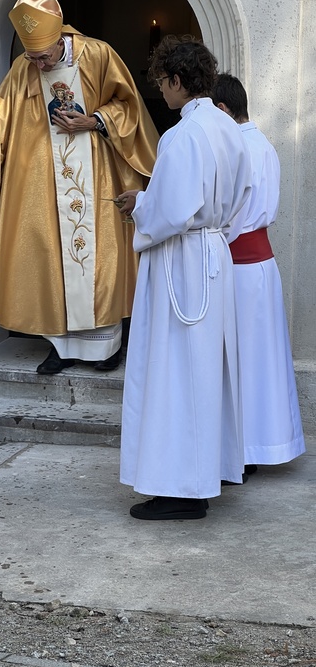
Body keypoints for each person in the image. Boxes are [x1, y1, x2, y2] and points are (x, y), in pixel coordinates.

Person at [0, 0, 158, 374]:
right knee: (48, 256)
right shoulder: (24, 67)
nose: (37, 65)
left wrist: (93, 120)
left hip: (96, 175)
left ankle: (105, 349)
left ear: (59, 41)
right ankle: (60, 346)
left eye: (42, 57)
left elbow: (129, 106)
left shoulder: (98, 54)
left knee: (99, 259)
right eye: (31, 57)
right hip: (43, 183)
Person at [118, 36, 252, 520]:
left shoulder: (182, 134)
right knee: (205, 368)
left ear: (176, 80)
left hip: (182, 261)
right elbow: (239, 196)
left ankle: (181, 489)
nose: (162, 93)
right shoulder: (229, 128)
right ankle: (205, 469)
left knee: (174, 371)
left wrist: (142, 209)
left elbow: (172, 210)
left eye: (162, 83)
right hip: (214, 253)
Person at [212, 73, 305, 469]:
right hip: (260, 267)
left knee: (240, 360)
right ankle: (260, 447)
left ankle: (243, 453)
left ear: (222, 110)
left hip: (239, 265)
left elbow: (227, 217)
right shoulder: (263, 144)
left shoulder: (236, 148)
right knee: (260, 358)